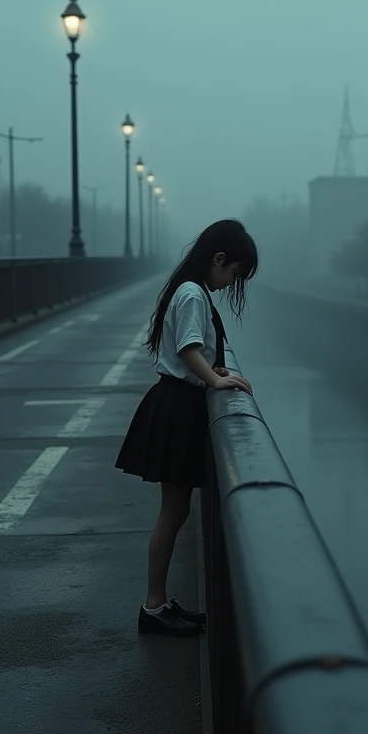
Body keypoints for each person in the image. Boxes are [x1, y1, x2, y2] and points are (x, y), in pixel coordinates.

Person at [115, 219, 258, 636]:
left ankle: (157, 603)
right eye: (233, 273)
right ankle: (153, 607)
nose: (231, 282)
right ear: (217, 259)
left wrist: (213, 370)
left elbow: (193, 351)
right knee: (172, 511)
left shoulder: (189, 290)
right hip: (178, 405)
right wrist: (215, 379)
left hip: (177, 402)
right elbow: (187, 348)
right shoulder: (194, 293)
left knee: (175, 511)